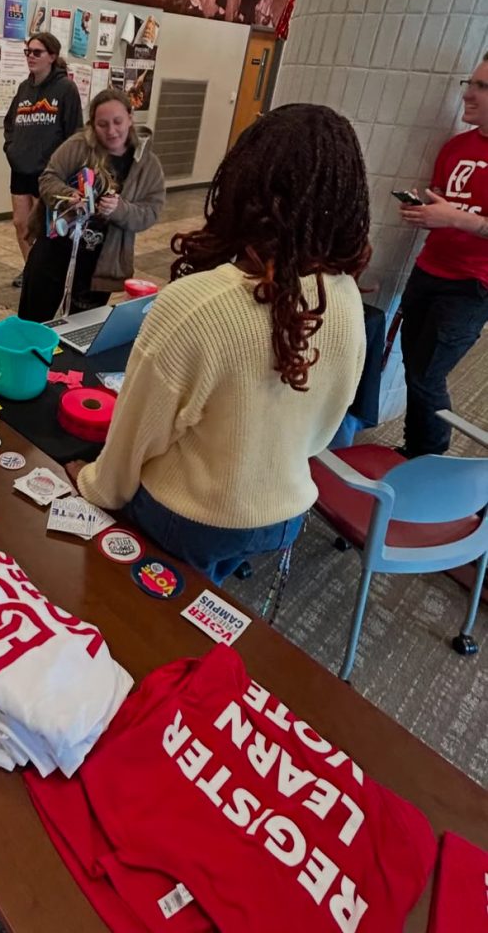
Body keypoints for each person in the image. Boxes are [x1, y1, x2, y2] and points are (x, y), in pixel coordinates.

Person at [67, 104, 371, 585]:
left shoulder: (197, 304)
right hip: (283, 514)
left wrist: (90, 484)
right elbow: (324, 427)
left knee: (148, 613)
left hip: (191, 519)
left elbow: (130, 446)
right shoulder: (348, 296)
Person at [397, 56, 488, 457]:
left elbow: (460, 217)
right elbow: (446, 208)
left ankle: (428, 459)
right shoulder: (456, 145)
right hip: (427, 271)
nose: (468, 93)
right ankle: (413, 448)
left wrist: (454, 217)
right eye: (471, 82)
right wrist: (428, 213)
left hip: (470, 287)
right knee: (413, 370)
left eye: (483, 87)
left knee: (426, 377)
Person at [19, 89, 165, 321]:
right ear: (92, 125)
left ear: (130, 117)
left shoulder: (148, 164)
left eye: (118, 122)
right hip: (53, 251)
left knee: (81, 331)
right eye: (102, 124)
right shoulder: (78, 146)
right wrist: (68, 196)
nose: (112, 131)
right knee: (32, 322)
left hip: (100, 263)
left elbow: (151, 211)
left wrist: (119, 210)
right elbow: (48, 178)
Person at [4, 32, 83, 285]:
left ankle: (43, 271)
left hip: (48, 173)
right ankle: (31, 270)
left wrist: (64, 169)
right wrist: (11, 148)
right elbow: (10, 123)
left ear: (52, 56)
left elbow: (75, 132)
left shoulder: (66, 89)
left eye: (37, 52)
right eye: (28, 52)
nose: (30, 57)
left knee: (44, 227)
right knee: (21, 224)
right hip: (20, 169)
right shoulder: (24, 88)